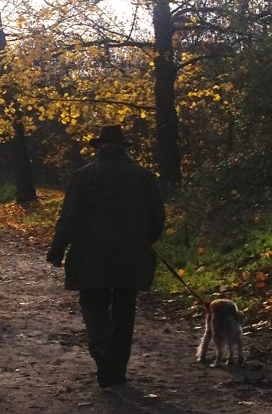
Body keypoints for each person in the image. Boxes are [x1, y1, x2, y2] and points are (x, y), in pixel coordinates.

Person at [46, 124, 165, 388]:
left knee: (93, 305)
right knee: (125, 311)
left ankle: (101, 352)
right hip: (131, 256)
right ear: (123, 149)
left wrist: (57, 248)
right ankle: (117, 369)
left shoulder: (83, 176)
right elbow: (158, 219)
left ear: (100, 148)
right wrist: (143, 240)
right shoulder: (145, 177)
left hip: (90, 255)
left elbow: (69, 218)